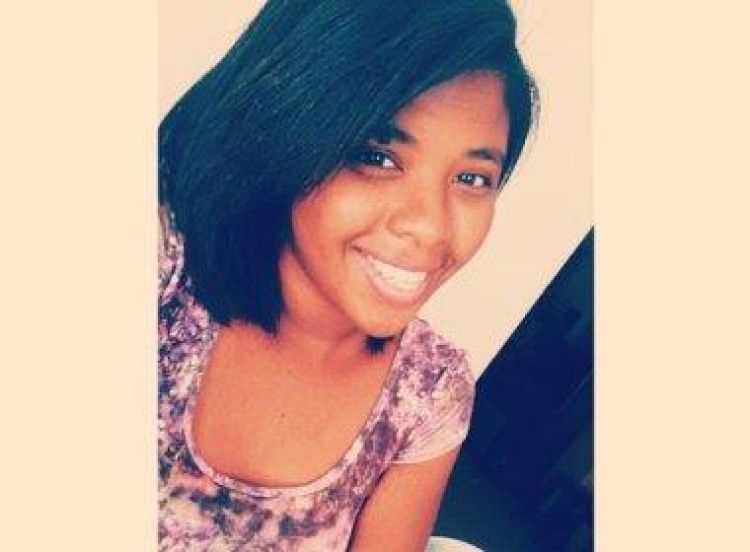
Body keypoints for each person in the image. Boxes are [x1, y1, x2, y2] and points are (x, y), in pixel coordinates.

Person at [158, 0, 537, 550]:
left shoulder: (428, 392)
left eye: (473, 179)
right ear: (283, 133)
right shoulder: (165, 270)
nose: (431, 228)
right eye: (378, 158)